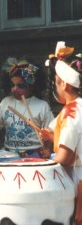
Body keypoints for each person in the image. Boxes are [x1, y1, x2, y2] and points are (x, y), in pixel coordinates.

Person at [0, 57, 54, 158]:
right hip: (8, 154)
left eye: (20, 86)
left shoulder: (42, 106)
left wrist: (48, 150)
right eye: (12, 85)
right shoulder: (6, 102)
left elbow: (51, 135)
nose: (15, 89)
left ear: (32, 86)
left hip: (33, 155)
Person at [40, 55, 82, 225]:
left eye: (56, 83)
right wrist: (53, 137)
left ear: (64, 84)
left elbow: (64, 158)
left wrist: (47, 163)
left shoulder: (70, 112)